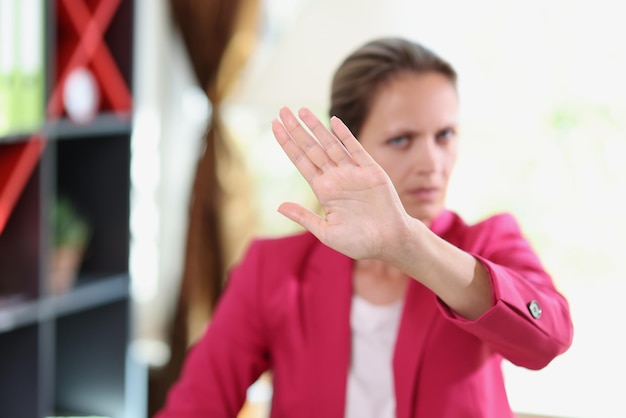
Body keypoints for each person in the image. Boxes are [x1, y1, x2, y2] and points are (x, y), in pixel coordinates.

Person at [155, 37, 574, 418]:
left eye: (445, 135)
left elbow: (548, 341)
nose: (432, 163)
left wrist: (409, 244)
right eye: (401, 140)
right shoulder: (275, 268)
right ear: (345, 150)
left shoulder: (488, 242)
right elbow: (196, 406)